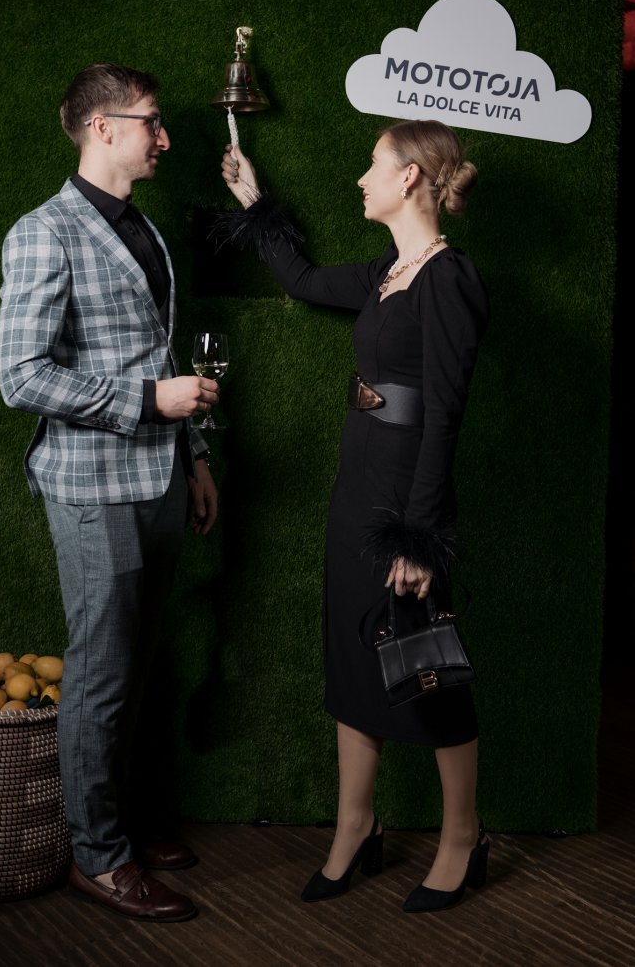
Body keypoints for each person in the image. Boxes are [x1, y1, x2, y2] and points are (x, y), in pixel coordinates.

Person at [220, 119, 490, 913]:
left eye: (373, 165)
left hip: (406, 494)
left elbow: (444, 415)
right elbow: (303, 280)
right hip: (357, 484)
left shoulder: (448, 278)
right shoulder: (383, 272)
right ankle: (354, 827)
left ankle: (461, 837)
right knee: (350, 650)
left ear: (408, 177)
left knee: (427, 664)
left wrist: (419, 535)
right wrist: (255, 202)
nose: (360, 179)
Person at [0, 63, 219, 923]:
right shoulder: (42, 232)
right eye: (152, 122)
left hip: (160, 476)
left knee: (139, 666)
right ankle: (97, 857)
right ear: (102, 128)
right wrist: (148, 403)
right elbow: (21, 376)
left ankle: (124, 824)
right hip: (92, 487)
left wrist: (194, 457)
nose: (164, 137)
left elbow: (156, 355)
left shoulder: (142, 227)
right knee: (101, 675)